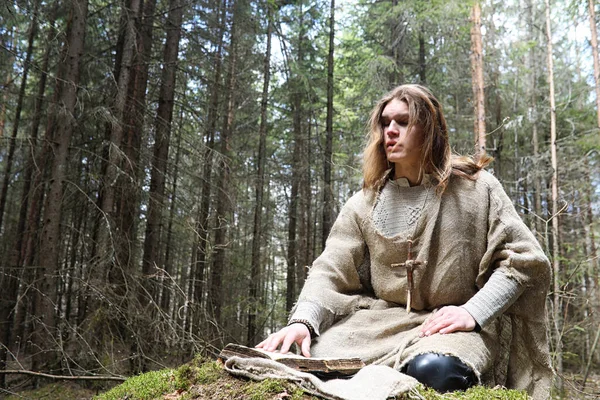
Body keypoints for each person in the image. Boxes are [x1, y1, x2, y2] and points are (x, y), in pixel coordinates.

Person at [256, 84, 552, 398]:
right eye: (385, 123)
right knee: (300, 362)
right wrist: (304, 321)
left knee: (433, 371)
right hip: (377, 326)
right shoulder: (364, 203)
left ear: (430, 130)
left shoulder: (476, 190)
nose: (390, 131)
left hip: (448, 329)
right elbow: (330, 272)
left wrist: (473, 312)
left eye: (403, 121)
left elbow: (524, 259)